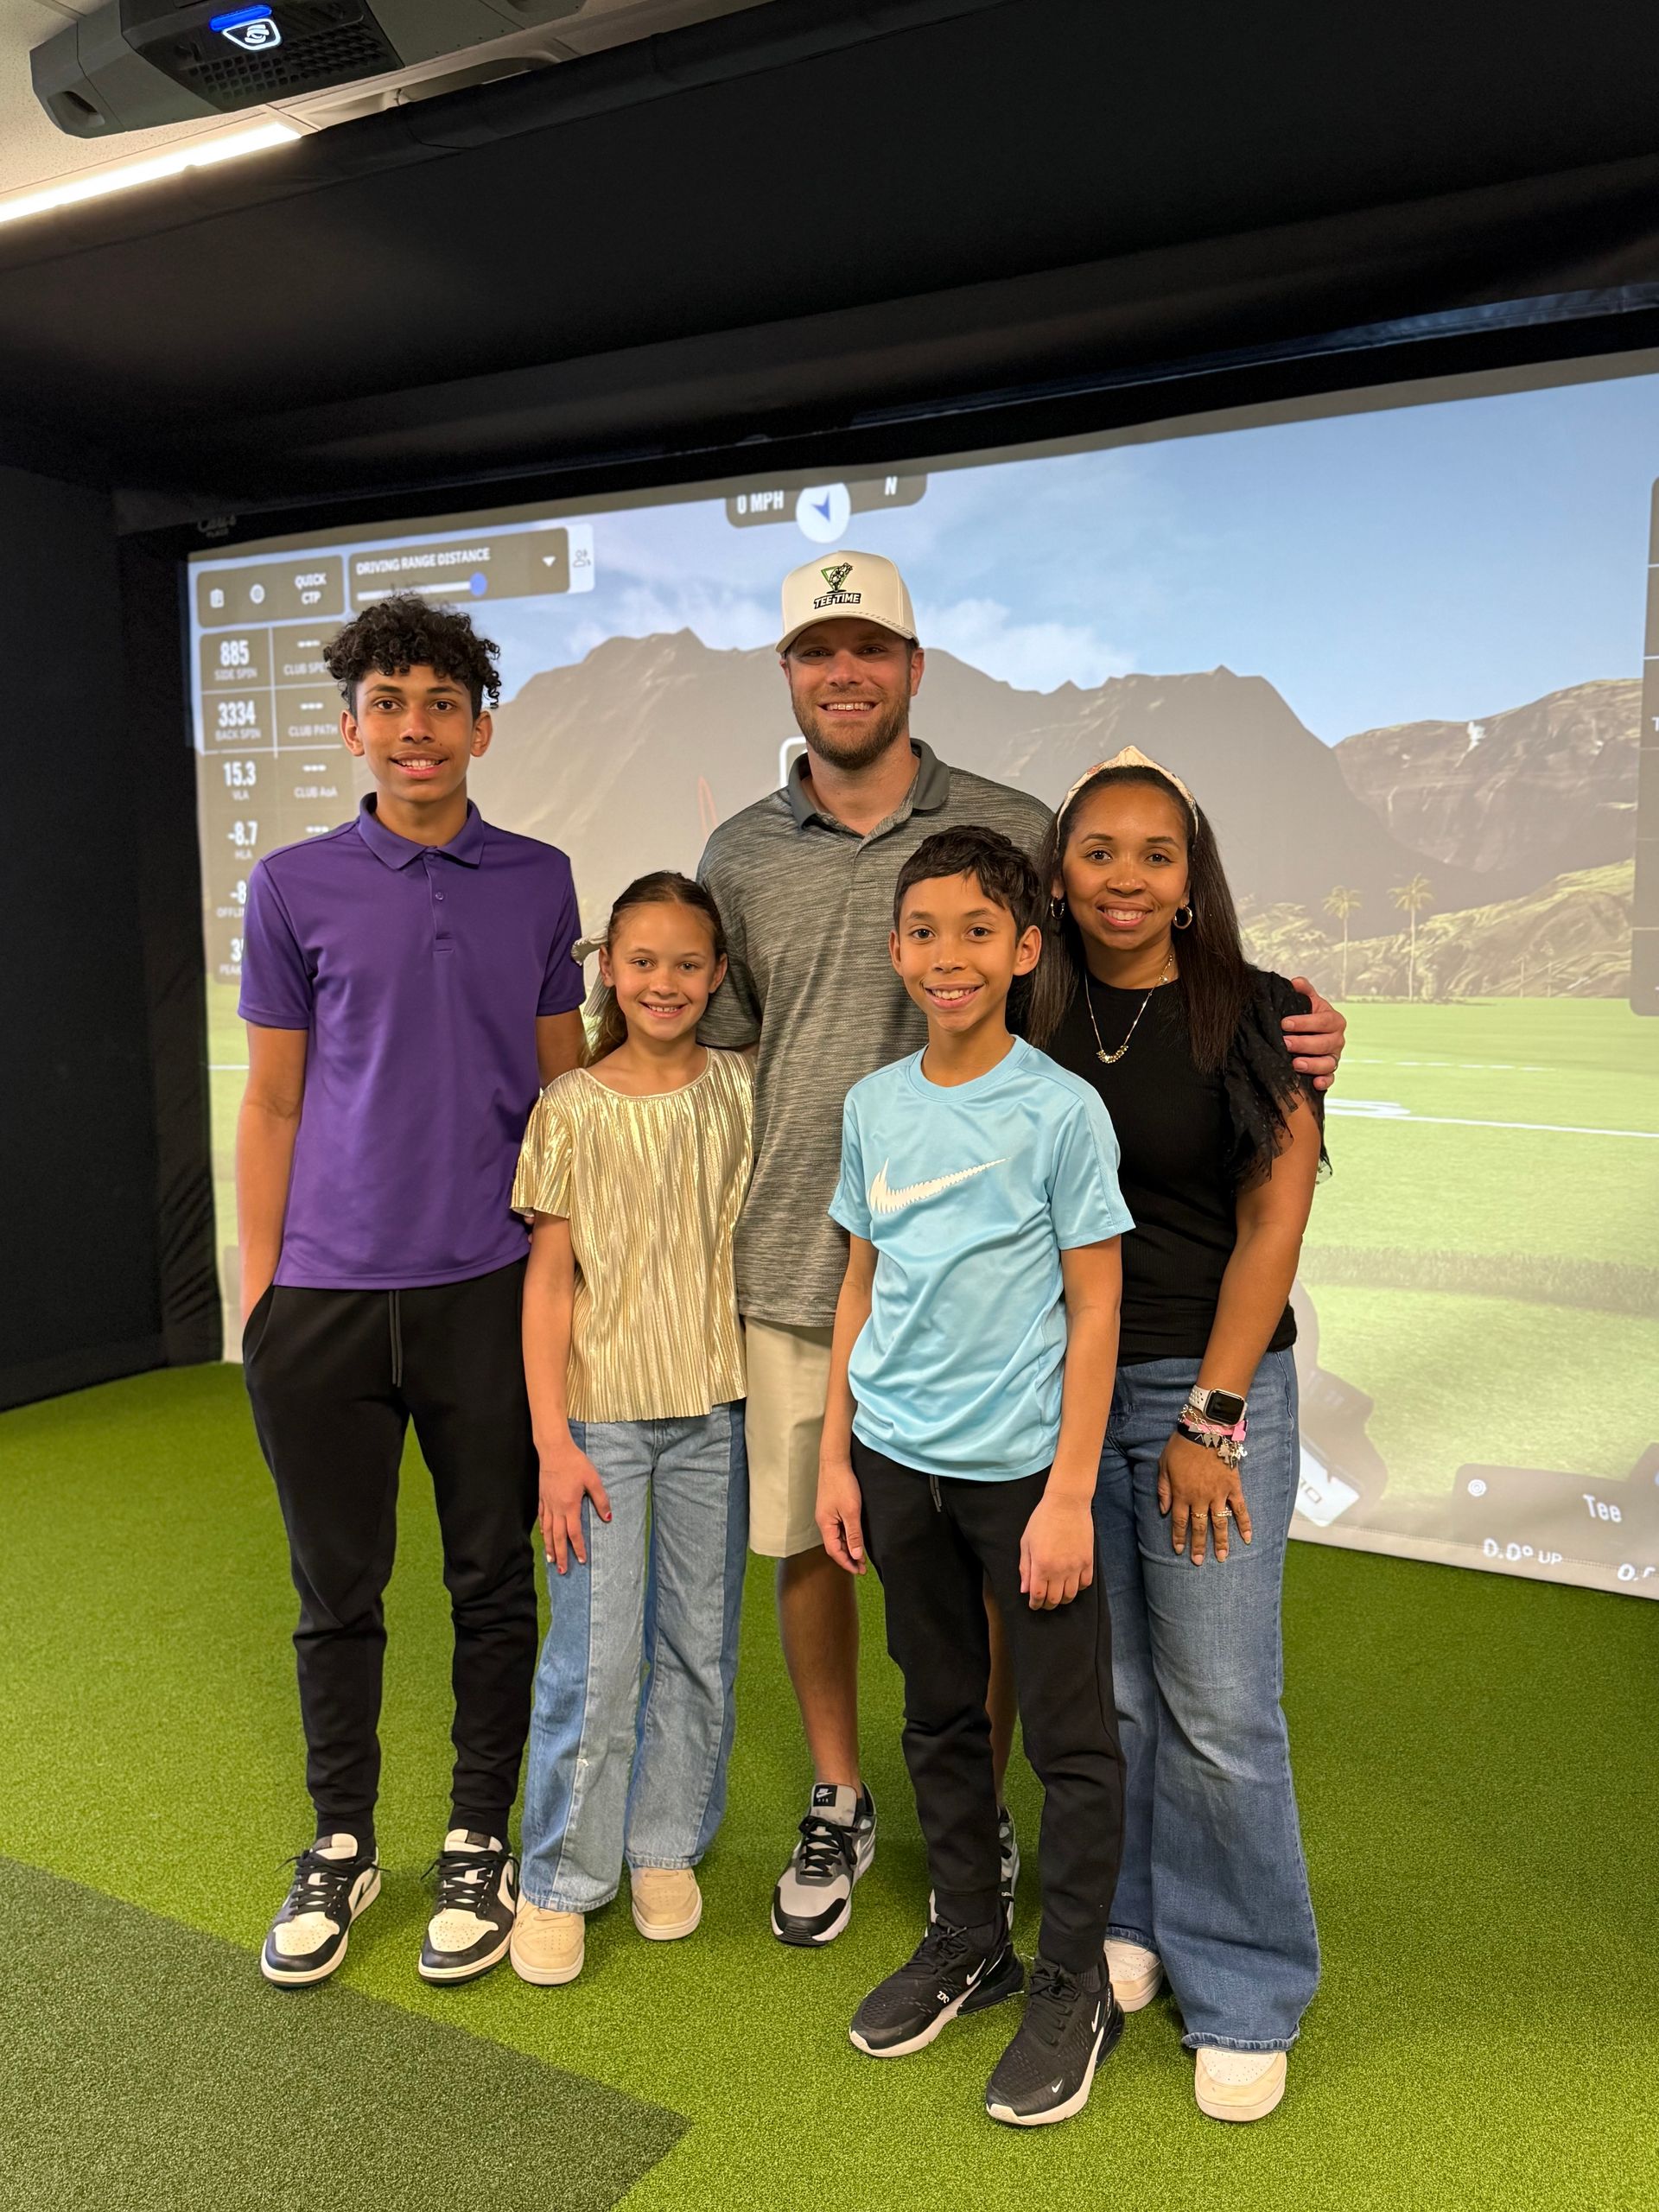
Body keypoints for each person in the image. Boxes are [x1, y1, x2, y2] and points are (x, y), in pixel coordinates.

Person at [696, 548, 1350, 1948]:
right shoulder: (745, 853)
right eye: (820, 652)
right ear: (792, 674)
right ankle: (893, 1820)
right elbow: (720, 1038)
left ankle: (1092, 1895)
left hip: (1068, 1333)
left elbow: (1235, 1134)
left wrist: (1302, 1039)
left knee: (1110, 1639)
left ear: (915, 668)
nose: (846, 672)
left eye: (871, 649)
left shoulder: (1017, 832)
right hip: (849, 1280)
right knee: (882, 1577)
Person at [238, 594, 585, 1988]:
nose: (416, 727)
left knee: (493, 1582)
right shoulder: (291, 886)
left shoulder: (542, 877)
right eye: (389, 703)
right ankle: (340, 1840)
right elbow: (270, 1104)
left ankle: (473, 1838)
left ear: (480, 726)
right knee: (338, 1591)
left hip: (488, 1288)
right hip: (322, 1300)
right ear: (352, 729)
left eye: (441, 703)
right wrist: (262, 1302)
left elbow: (566, 1089)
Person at [1026, 746, 1325, 2124]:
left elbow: (1275, 1220)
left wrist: (1213, 1411)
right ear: (1062, 870)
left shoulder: (1257, 1012)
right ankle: (1136, 1917)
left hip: (1213, 1396)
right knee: (1123, 1693)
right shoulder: (1033, 1006)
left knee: (1220, 1706)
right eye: (1098, 852)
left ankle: (1249, 1982)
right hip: (1072, 1396)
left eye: (1155, 854)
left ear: (1193, 878)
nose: (1125, 877)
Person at [816, 825, 1131, 2127]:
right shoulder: (875, 1105)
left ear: (1024, 950)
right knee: (939, 1713)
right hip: (895, 1464)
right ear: (899, 952)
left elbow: (1096, 1309)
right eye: (926, 933)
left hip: (1020, 1481)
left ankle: (1074, 1982)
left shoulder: (1061, 1109)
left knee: (1067, 1740)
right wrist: (835, 1450)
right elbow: (860, 1279)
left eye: (976, 934)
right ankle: (968, 1938)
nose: (949, 957)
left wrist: (1067, 1495)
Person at [507, 874, 752, 1987]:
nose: (664, 983)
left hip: (715, 1417)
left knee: (696, 1645)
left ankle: (662, 1844)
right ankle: (561, 1876)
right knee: (595, 1658)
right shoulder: (570, 1106)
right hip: (601, 1427)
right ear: (609, 966)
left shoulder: (740, 1093)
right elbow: (549, 1284)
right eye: (642, 961)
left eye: (688, 964)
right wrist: (552, 1441)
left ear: (715, 975)